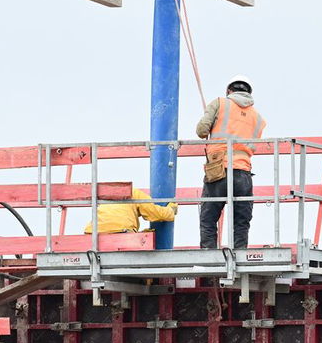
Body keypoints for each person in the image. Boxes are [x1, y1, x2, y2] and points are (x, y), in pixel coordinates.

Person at [194, 75, 265, 250]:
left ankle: (208, 255)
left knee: (208, 217)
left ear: (229, 91)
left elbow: (201, 131)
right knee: (241, 219)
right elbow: (253, 146)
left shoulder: (220, 103)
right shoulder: (258, 118)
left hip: (219, 169)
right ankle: (240, 255)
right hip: (243, 172)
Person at [86, 188, 177, 235]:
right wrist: (171, 210)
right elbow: (156, 213)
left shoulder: (109, 197)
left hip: (92, 234)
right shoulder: (135, 193)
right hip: (121, 232)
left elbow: (111, 223)